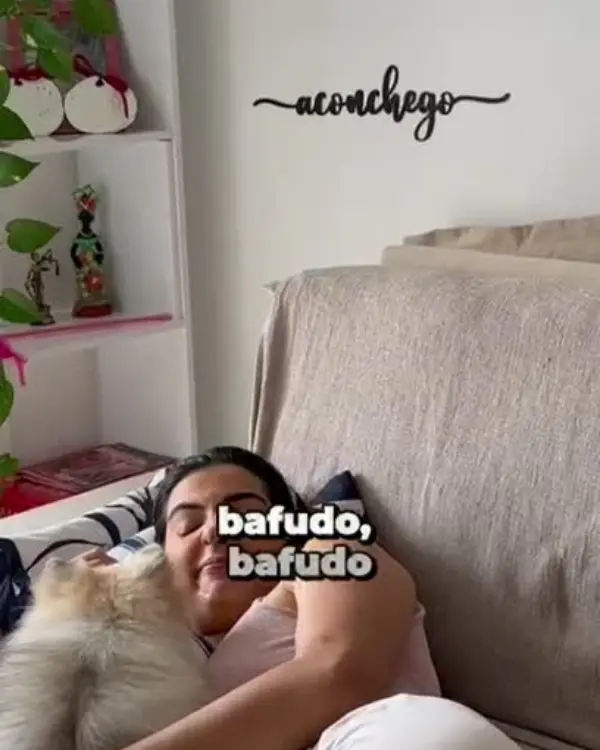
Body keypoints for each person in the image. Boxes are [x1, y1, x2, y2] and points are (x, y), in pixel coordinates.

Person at [80, 446, 519, 750]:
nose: (215, 530)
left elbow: (336, 672)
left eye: (245, 514)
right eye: (188, 524)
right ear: (160, 558)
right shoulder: (159, 658)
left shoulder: (330, 556)